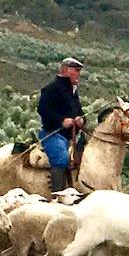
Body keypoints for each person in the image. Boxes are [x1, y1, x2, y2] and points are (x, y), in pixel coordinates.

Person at [37, 57, 85, 194]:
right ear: (65, 70)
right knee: (61, 159)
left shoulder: (73, 91)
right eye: (76, 70)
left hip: (71, 137)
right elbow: (43, 110)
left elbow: (80, 112)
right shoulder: (51, 88)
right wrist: (61, 121)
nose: (78, 74)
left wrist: (81, 120)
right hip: (52, 133)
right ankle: (58, 196)